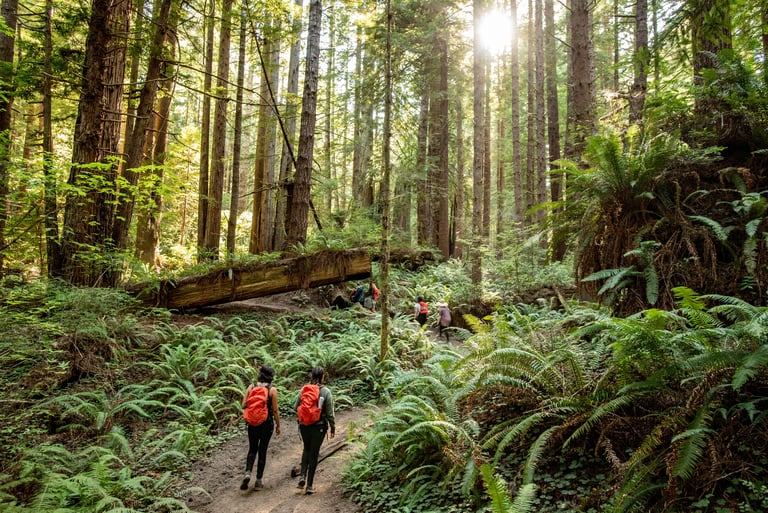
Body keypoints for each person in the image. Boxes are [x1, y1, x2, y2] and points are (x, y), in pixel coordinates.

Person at [292, 366, 336, 495]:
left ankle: (302, 477)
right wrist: (333, 427)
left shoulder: (304, 390)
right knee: (314, 454)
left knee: (306, 449)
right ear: (323, 377)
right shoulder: (326, 392)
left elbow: (295, 406)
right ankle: (309, 485)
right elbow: (330, 413)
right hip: (319, 427)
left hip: (304, 426)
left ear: (311, 376)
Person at [241, 365, 281, 491]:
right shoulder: (272, 390)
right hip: (266, 424)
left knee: (252, 449)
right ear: (271, 376)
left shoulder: (251, 387)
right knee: (262, 450)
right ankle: (258, 481)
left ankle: (248, 472)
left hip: (252, 424)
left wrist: (253, 407)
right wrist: (278, 425)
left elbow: (243, 405)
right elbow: (275, 411)